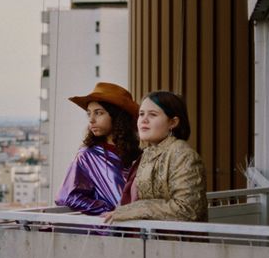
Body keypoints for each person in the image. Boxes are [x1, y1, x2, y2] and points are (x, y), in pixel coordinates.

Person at [103, 91, 208, 223]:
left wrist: (137, 209)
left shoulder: (183, 155)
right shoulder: (146, 153)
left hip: (177, 241)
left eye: (153, 114)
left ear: (173, 122)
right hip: (147, 239)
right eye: (141, 114)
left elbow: (187, 210)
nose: (144, 120)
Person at [55, 82, 141, 215]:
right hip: (108, 230)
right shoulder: (87, 155)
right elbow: (66, 196)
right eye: (89, 114)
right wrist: (106, 210)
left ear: (117, 116)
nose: (91, 120)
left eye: (99, 113)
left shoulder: (139, 153)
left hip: (140, 228)